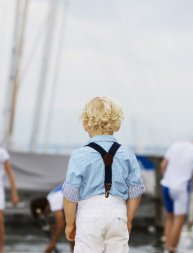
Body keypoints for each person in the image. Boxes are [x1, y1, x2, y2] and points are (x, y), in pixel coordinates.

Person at [62, 97, 145, 253]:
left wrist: (70, 224)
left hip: (89, 214)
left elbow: (70, 194)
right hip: (118, 213)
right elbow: (135, 191)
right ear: (118, 125)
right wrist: (129, 219)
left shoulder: (79, 155)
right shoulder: (127, 153)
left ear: (85, 124)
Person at [160, 133, 193, 253]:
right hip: (181, 188)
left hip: (166, 186)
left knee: (169, 219)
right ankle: (172, 249)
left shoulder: (176, 145)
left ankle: (166, 248)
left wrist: (169, 179)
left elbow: (163, 165)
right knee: (179, 220)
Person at [30, 184, 74, 253]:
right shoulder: (50, 196)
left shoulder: (54, 202)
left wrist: (52, 244)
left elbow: (60, 225)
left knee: (72, 231)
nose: (46, 215)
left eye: (44, 214)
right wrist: (55, 226)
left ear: (44, 209)